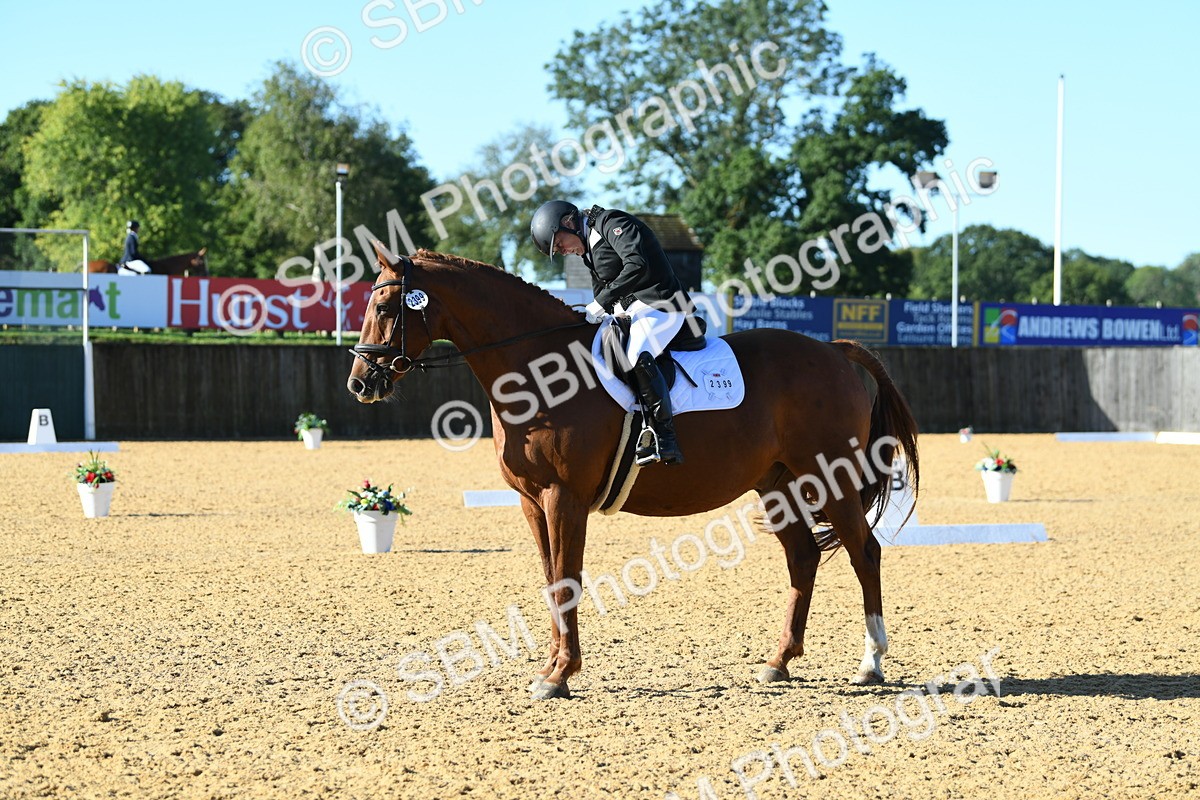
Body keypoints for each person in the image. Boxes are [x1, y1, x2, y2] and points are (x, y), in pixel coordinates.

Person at [530, 200, 705, 466]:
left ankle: (665, 437)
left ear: (568, 222)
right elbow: (601, 291)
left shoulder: (613, 223)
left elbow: (637, 264)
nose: (563, 251)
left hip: (662, 304)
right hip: (632, 312)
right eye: (557, 250)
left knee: (635, 354)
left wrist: (601, 303)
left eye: (559, 244)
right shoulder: (588, 249)